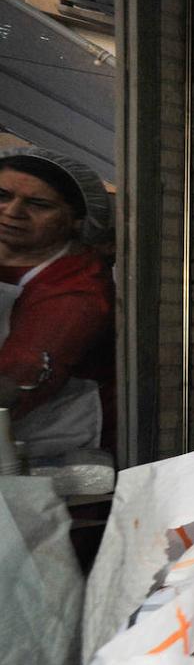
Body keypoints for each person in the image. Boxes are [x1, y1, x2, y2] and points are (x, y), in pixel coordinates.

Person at [0, 146, 115, 460]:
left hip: (49, 448)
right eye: (3, 195)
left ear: (77, 220)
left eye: (38, 204)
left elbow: (17, 376)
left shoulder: (78, 292)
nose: (12, 212)